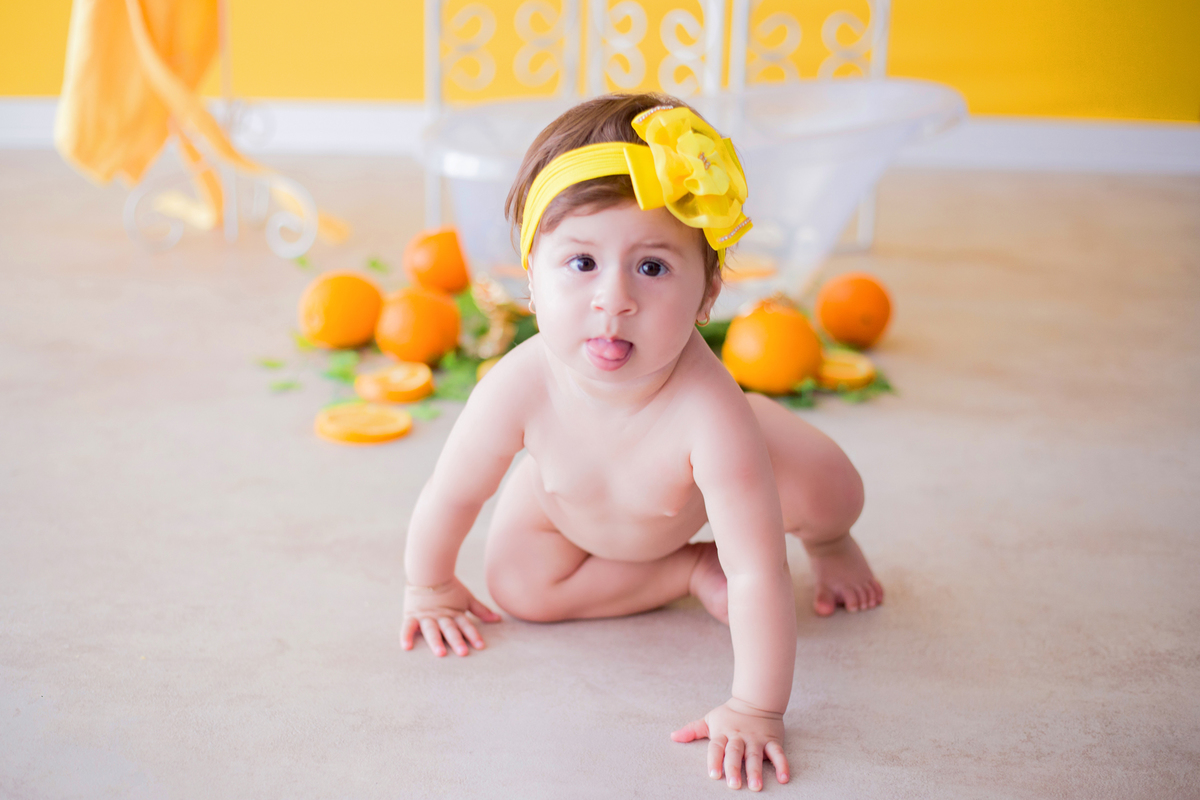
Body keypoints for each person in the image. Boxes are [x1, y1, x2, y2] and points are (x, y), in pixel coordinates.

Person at [400, 92, 883, 791]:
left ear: (708, 293)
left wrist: (756, 706)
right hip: (562, 508)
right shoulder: (517, 383)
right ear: (530, 278)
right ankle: (683, 572)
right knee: (518, 589)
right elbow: (452, 494)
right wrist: (430, 585)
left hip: (698, 488)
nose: (614, 298)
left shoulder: (709, 412)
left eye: (652, 267)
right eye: (581, 263)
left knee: (836, 491)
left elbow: (756, 572)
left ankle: (829, 537)